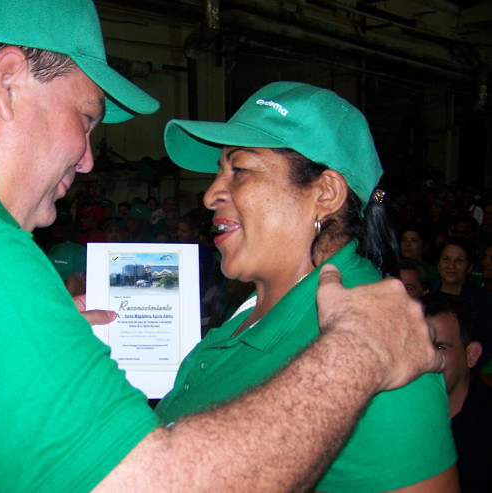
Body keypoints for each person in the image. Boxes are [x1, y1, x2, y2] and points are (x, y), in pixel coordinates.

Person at [0, 2, 445, 492]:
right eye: (85, 118)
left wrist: (16, 342)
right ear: (6, 80)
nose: (88, 158)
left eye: (239, 167)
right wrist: (358, 353)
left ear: (325, 192)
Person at [157, 81, 458, 491]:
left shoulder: (380, 344)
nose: (210, 194)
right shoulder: (251, 311)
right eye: (217, 172)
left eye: (239, 169)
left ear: (325, 193)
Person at [424, 292, 492, 492]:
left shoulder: (485, 428)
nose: (426, 360)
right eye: (418, 347)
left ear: (471, 355)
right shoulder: (399, 415)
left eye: (439, 347)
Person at [431, 237, 492, 368]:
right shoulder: (426, 293)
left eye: (459, 260)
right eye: (446, 259)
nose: (451, 266)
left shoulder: (483, 300)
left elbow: (485, 344)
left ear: (469, 267)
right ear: (438, 264)